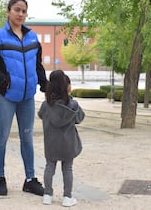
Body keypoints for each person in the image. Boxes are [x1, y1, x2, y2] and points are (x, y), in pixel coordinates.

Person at [0, 0, 48, 196]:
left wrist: (45, 84)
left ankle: (30, 179)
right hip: (6, 96)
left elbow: (37, 64)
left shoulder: (32, 37)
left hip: (27, 97)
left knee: (27, 138)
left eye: (23, 11)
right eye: (17, 10)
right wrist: (2, 79)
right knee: (2, 137)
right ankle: (0, 177)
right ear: (8, 12)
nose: (20, 14)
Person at [38, 70, 85, 207]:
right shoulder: (73, 105)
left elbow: (41, 115)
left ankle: (47, 194)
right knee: (67, 169)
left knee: (49, 167)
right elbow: (80, 118)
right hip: (68, 143)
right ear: (66, 86)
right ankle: (67, 197)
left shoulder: (46, 105)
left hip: (51, 142)